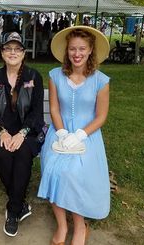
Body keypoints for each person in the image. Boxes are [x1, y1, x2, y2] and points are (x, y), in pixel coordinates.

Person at [37, 26, 111, 245]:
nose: (76, 54)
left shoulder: (101, 81)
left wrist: (79, 135)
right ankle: (62, 225)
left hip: (88, 134)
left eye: (82, 49)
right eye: (72, 49)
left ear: (90, 51)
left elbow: (101, 116)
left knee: (74, 174)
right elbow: (54, 110)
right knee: (52, 170)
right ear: (66, 51)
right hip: (59, 131)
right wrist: (60, 133)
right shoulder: (55, 76)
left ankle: (80, 226)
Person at [0, 32, 45, 237]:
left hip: (28, 131)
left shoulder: (34, 77)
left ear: (23, 52)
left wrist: (22, 133)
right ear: (2, 52)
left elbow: (37, 112)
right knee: (3, 154)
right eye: (8, 48)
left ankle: (13, 211)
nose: (12, 52)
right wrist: (2, 132)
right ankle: (19, 204)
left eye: (17, 48)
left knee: (23, 153)